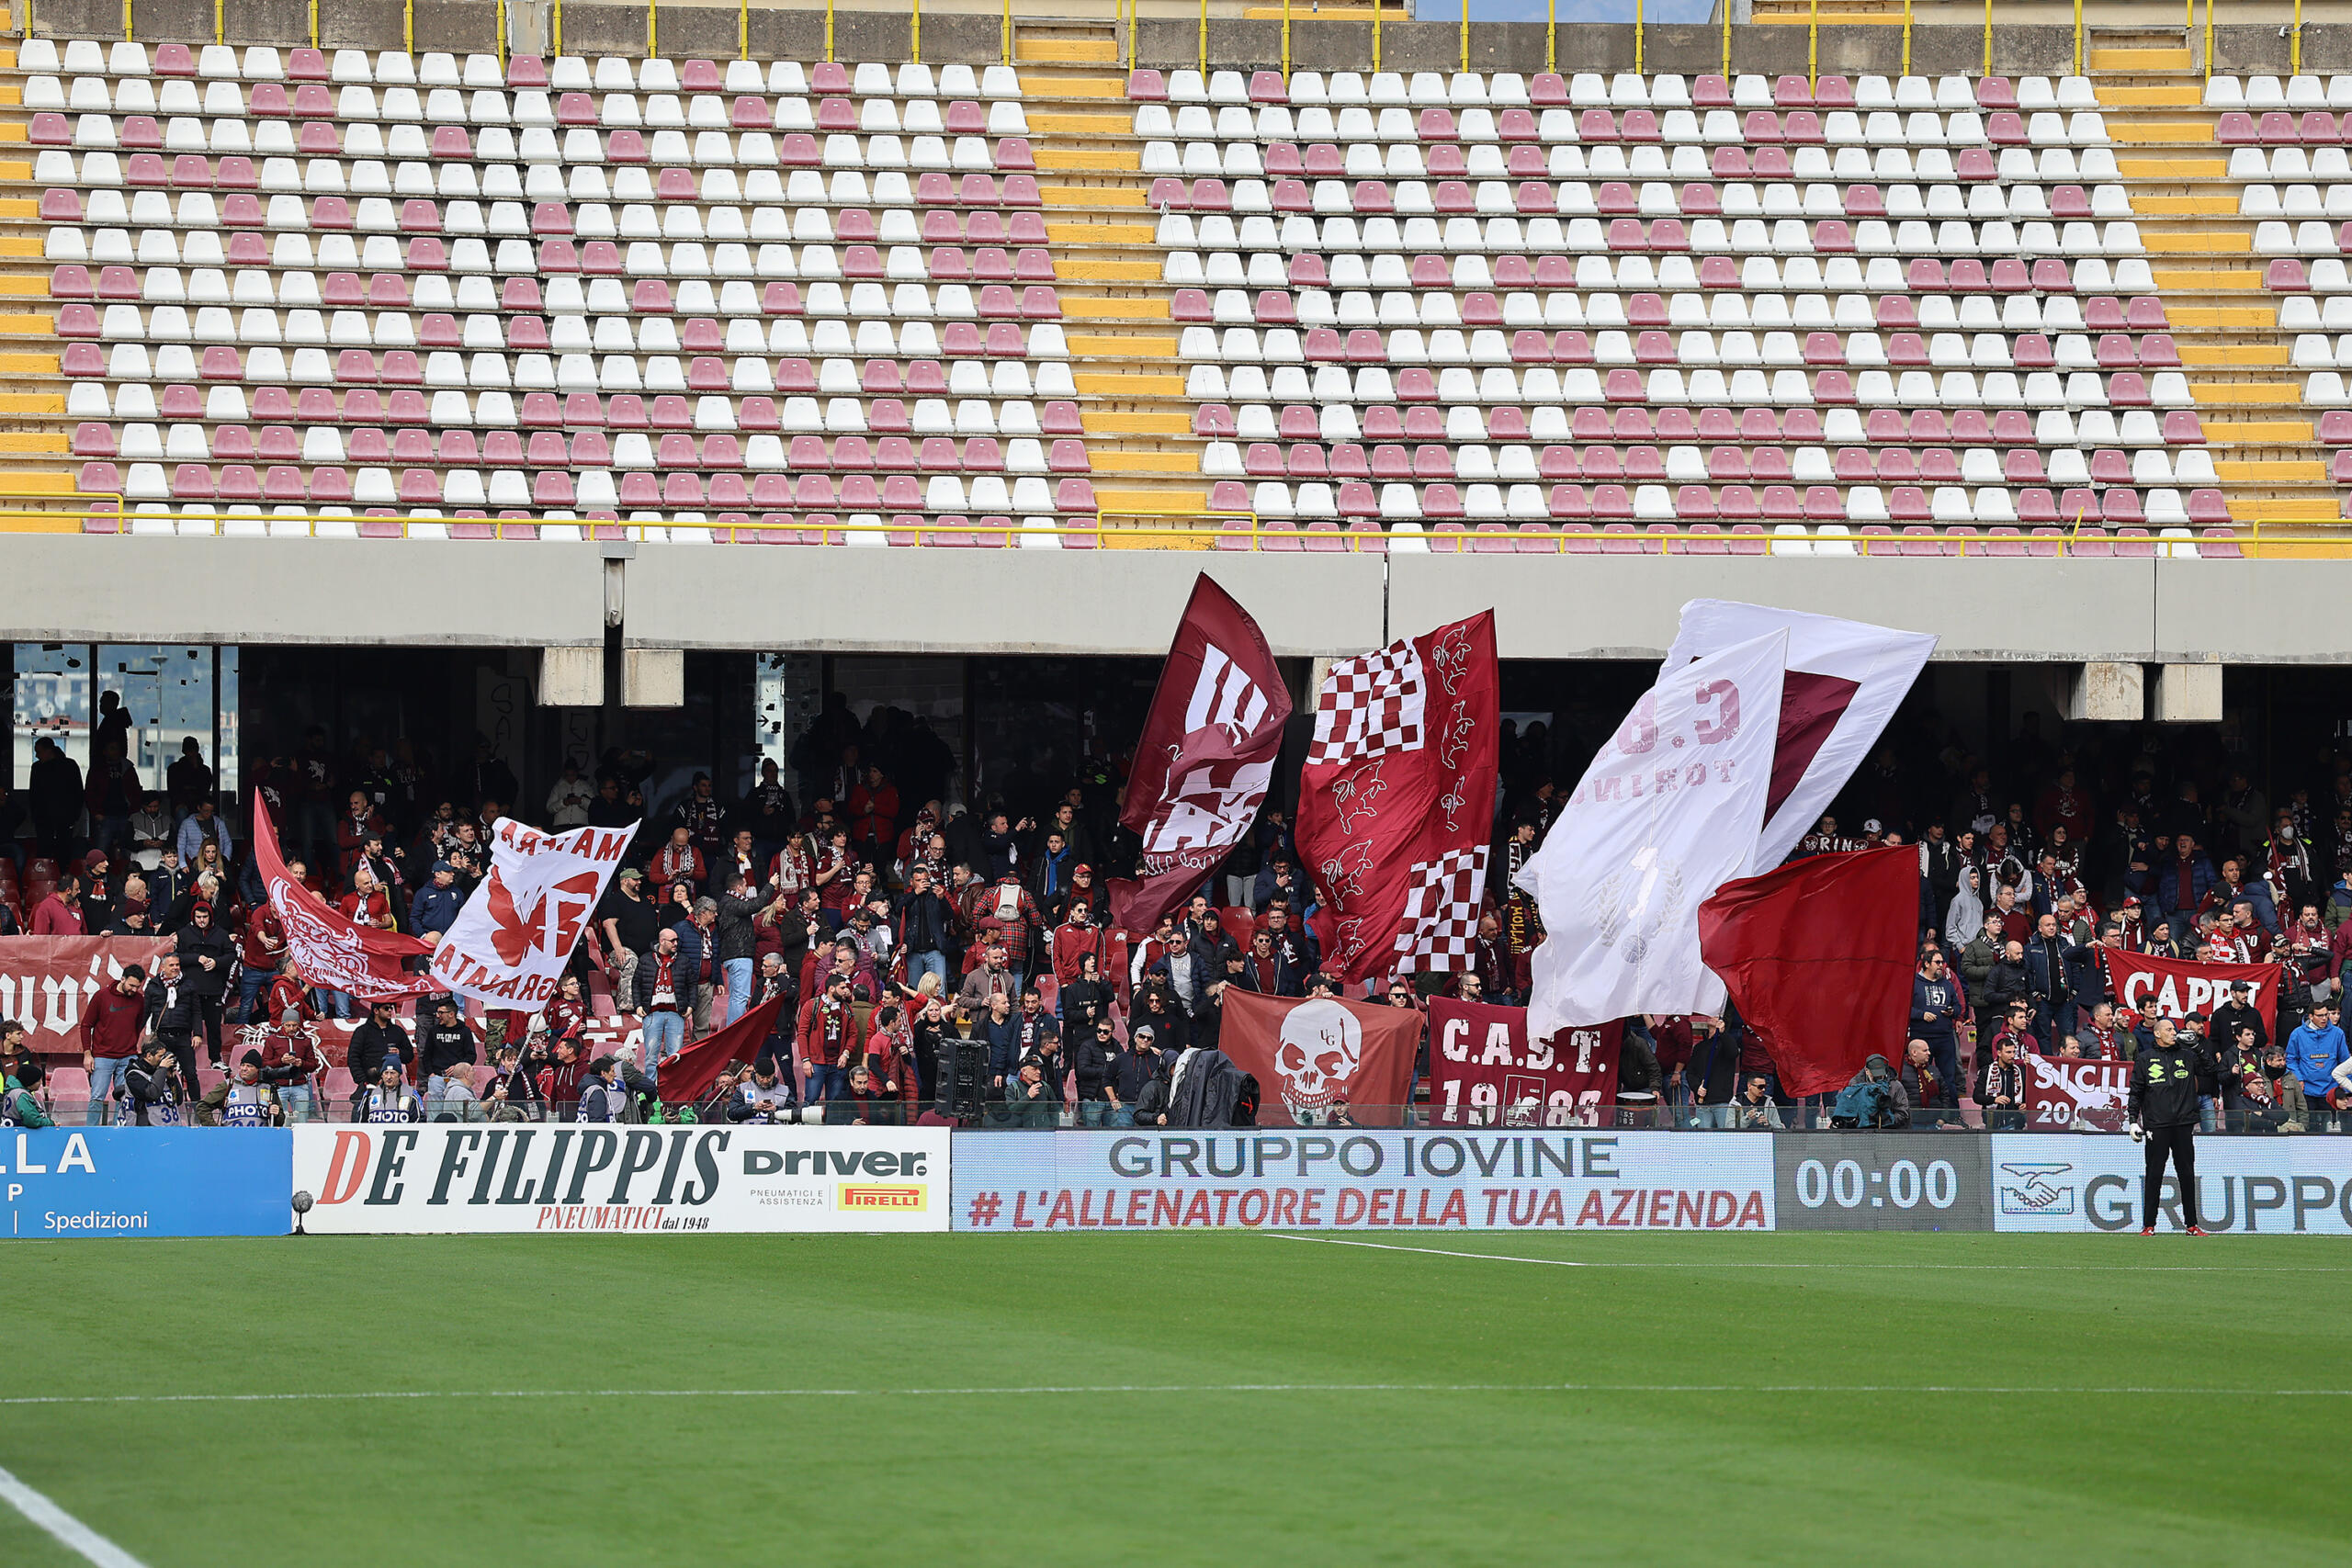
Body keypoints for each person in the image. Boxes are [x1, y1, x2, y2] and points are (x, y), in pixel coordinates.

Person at [2130, 1018, 2214, 1234]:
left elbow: (2211, 1069)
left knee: (2186, 1173)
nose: (2173, 1032)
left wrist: (2196, 1047)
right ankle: (2149, 1225)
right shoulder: (2145, 1058)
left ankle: (2192, 1224)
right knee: (2154, 1174)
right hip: (2156, 1125)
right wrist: (2132, 1121)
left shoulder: (2187, 1055)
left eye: (2174, 1029)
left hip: (2184, 1123)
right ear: (2157, 1034)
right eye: (2168, 1029)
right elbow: (2136, 1092)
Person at [79, 962, 148, 1125]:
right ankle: (91, 1131)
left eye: (137, 987)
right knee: (97, 1096)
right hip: (103, 1056)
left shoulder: (139, 1000)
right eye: (131, 985)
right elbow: (86, 1025)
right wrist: (87, 1053)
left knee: (124, 1097)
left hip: (128, 1056)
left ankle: (120, 1129)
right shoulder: (101, 996)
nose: (134, 990)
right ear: (122, 979)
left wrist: (130, 1043)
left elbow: (139, 1024)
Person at [1908, 946, 1963, 1112]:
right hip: (1922, 1037)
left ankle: (1952, 1114)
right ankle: (1922, 1114)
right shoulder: (1914, 983)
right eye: (1937, 962)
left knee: (1949, 1078)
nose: (1942, 966)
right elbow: (1903, 1008)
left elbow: (1958, 1006)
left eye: (1943, 962)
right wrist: (1921, 1014)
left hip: (1945, 1037)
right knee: (1920, 1076)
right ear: (1926, 964)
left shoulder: (1947, 984)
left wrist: (1953, 1012)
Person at [2284, 1000, 2349, 1134]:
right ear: (2310, 1016)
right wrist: (2299, 1079)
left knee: (2331, 1131)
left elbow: (2346, 1062)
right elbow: (2291, 1060)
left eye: (2326, 1015)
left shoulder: (2338, 1034)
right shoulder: (2297, 1034)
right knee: (2308, 1129)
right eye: (2320, 1015)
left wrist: (2344, 1085)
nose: (2324, 1018)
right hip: (2307, 1090)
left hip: (2330, 1091)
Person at [417, 999, 478, 1111]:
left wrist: (457, 1067)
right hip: (437, 1078)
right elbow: (426, 1055)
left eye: (441, 1013)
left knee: (457, 1112)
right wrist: (431, 1074)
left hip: (458, 1079)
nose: (437, 1015)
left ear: (451, 1014)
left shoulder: (465, 1031)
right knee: (434, 1115)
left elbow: (471, 1056)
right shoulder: (433, 1031)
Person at [195, 1053, 279, 1128]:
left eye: (249, 1066)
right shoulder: (228, 1085)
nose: (244, 1068)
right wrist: (215, 1130)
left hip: (260, 1140)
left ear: (258, 1069)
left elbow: (280, 1121)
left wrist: (277, 1115)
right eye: (242, 1065)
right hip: (232, 1141)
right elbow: (202, 1106)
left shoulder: (268, 1088)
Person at [123, 1039, 187, 1125]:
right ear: (149, 1056)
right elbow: (152, 1094)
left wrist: (172, 1079)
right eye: (160, 1056)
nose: (163, 1060)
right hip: (147, 1130)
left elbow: (178, 1100)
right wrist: (162, 1069)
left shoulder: (162, 1071)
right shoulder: (134, 1075)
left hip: (170, 1128)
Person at [1978, 1036, 2028, 1130]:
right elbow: (1977, 1097)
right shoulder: (1987, 1071)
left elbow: (2027, 1096)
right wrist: (1994, 1099)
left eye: (2014, 1052)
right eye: (2008, 1052)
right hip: (1993, 1124)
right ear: (1999, 1053)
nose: (2012, 1055)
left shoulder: (2020, 1072)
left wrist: (2026, 1104)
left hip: (2016, 1124)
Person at [0, 1056, 52, 1128]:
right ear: (30, 1082)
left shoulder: (14, 1091)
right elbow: (33, 1121)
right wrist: (50, 1123)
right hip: (17, 1134)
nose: (40, 1083)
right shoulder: (21, 1095)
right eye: (38, 1080)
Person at [576, 1055, 630, 1123]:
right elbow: (597, 1122)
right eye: (612, 1071)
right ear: (603, 1073)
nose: (615, 1075)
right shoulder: (597, 1091)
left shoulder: (591, 1088)